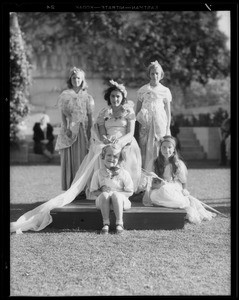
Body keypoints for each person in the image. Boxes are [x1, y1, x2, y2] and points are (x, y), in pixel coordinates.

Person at [10, 80, 141, 234]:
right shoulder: (104, 113)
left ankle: (121, 191)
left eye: (118, 96)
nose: (115, 99)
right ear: (109, 97)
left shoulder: (128, 112)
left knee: (125, 152)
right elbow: (100, 131)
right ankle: (102, 189)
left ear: (122, 97)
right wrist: (105, 139)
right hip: (107, 143)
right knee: (103, 152)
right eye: (112, 96)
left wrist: (119, 142)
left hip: (124, 141)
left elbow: (130, 133)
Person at [142, 136, 216, 224]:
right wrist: (158, 185)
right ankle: (181, 204)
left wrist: (184, 190)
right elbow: (149, 184)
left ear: (174, 149)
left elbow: (184, 182)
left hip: (173, 188)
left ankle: (185, 203)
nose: (167, 150)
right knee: (156, 195)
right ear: (160, 148)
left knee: (166, 191)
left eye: (170, 147)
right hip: (158, 190)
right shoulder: (154, 162)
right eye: (164, 147)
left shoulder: (178, 164)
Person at [55, 67, 95, 190]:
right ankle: (70, 185)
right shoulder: (65, 95)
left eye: (78, 78)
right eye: (73, 78)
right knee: (71, 157)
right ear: (70, 79)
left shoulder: (87, 97)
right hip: (70, 128)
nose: (76, 80)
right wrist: (66, 127)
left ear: (82, 80)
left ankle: (83, 187)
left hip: (83, 130)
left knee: (83, 156)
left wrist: (89, 131)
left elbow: (90, 116)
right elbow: (62, 113)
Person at [135, 60, 172, 169]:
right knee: (145, 147)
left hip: (160, 124)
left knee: (158, 147)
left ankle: (159, 171)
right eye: (152, 73)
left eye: (157, 73)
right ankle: (145, 172)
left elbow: (168, 112)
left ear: (161, 75)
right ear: (149, 74)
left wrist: (167, 127)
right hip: (145, 124)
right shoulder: (143, 90)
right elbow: (137, 110)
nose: (155, 76)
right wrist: (140, 121)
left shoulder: (165, 90)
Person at [90, 144, 134, 234]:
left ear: (119, 159)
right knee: (105, 195)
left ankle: (119, 223)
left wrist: (115, 194)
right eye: (109, 155)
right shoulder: (98, 173)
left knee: (116, 195)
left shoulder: (124, 173)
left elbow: (130, 191)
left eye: (115, 156)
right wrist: (102, 191)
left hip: (120, 201)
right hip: (103, 201)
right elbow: (93, 191)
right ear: (103, 156)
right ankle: (106, 223)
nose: (111, 158)